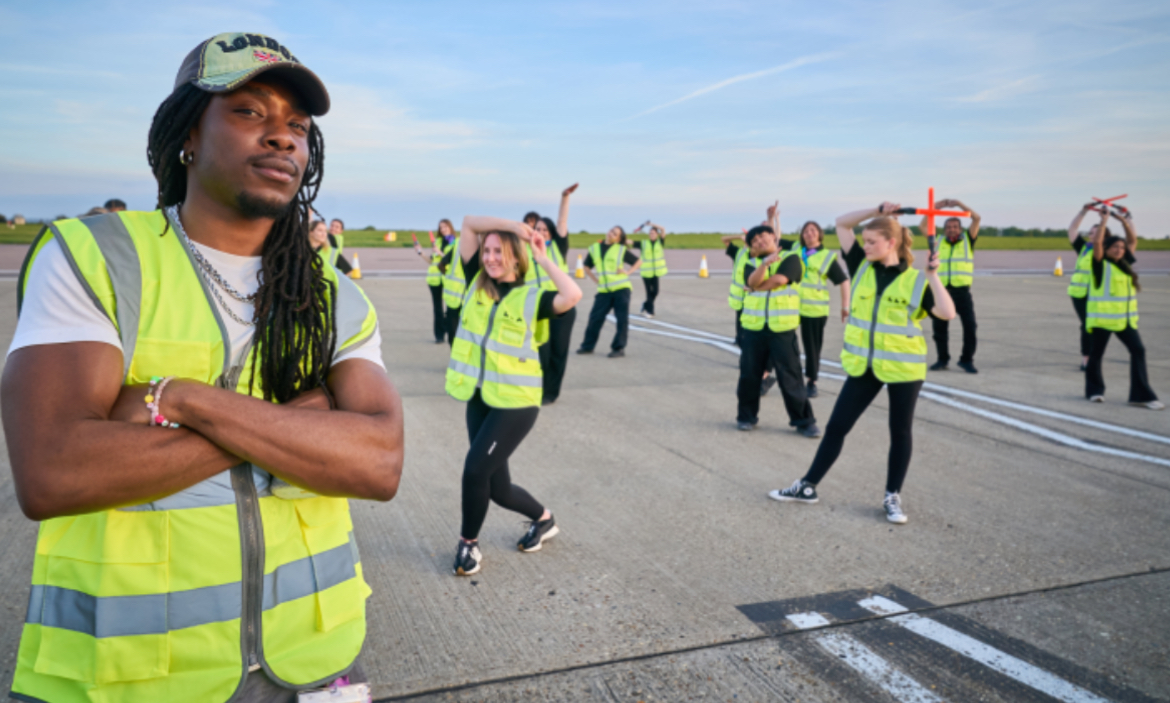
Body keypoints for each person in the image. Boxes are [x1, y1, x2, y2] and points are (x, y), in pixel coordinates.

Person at [3, 32, 405, 703]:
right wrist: (294, 426)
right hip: (129, 679)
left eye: (298, 127)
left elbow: (378, 463)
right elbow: (53, 469)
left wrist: (181, 397)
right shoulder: (99, 258)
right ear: (188, 134)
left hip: (316, 664)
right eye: (249, 112)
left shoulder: (332, 294)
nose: (282, 138)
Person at [769, 203, 955, 524]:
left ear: (891, 243)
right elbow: (842, 224)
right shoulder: (861, 267)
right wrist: (878, 209)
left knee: (900, 432)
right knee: (837, 428)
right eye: (864, 241)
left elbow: (946, 313)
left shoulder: (913, 280)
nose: (865, 246)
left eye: (872, 241)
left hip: (903, 369)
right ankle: (807, 486)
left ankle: (892, 496)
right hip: (864, 368)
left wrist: (933, 277)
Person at [446, 216, 582, 576]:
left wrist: (542, 257)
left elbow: (572, 295)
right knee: (497, 488)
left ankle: (468, 545)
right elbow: (469, 224)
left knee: (474, 471)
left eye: (498, 252)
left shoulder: (530, 298)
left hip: (517, 403)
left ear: (516, 258)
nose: (489, 257)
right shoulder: (477, 282)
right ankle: (544, 518)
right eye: (487, 250)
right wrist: (514, 227)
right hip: (481, 396)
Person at [736, 223, 820, 437]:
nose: (759, 241)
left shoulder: (792, 259)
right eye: (754, 241)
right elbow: (752, 279)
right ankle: (746, 417)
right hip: (753, 328)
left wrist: (755, 286)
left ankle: (804, 421)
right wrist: (763, 265)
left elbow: (779, 280)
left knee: (790, 377)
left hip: (782, 329)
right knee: (749, 377)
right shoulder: (751, 263)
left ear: (774, 237)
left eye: (763, 236)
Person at [1084, 208, 1162, 409]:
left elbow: (1133, 241)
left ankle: (1141, 396)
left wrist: (1124, 222)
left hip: (1125, 322)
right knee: (1096, 355)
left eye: (1121, 247)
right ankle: (1094, 391)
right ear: (1107, 249)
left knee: (1138, 351)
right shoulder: (1100, 265)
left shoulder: (1125, 265)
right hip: (1102, 320)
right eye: (1115, 247)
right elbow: (1098, 243)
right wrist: (1104, 222)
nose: (1120, 249)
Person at [796, 220, 850, 398]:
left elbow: (844, 281)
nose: (809, 233)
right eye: (805, 231)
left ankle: (812, 382)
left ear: (819, 234)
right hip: (792, 307)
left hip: (814, 309)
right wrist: (773, 219)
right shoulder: (798, 250)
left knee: (812, 347)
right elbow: (776, 238)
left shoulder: (826, 256)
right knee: (778, 339)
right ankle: (767, 375)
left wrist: (845, 306)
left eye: (812, 230)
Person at [535, 184, 578, 404]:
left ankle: (550, 393)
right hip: (539, 308)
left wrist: (564, 197)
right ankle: (536, 389)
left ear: (551, 233)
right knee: (540, 351)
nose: (541, 232)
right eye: (538, 229)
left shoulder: (557, 247)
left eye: (545, 229)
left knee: (558, 352)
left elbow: (562, 221)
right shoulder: (529, 251)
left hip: (562, 307)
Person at [927, 198, 981, 373]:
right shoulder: (937, 241)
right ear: (945, 229)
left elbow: (977, 218)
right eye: (949, 227)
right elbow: (923, 226)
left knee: (970, 326)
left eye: (955, 226)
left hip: (962, 292)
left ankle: (966, 360)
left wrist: (959, 204)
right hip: (942, 292)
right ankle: (942, 360)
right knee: (940, 329)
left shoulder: (968, 240)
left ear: (960, 228)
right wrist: (933, 209)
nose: (952, 229)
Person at [577, 225, 641, 358]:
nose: (611, 234)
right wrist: (595, 280)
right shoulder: (595, 248)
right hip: (604, 290)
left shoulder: (620, 249)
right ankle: (587, 346)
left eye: (615, 233)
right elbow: (586, 265)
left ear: (618, 239)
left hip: (621, 288)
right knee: (595, 318)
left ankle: (618, 348)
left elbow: (638, 261)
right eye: (611, 231)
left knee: (621, 319)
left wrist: (627, 272)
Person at [1066, 203, 1102, 370]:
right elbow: (1072, 231)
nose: (1090, 235)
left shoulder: (1107, 251)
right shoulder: (1084, 248)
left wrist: (1104, 219)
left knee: (1095, 326)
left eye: (1094, 233)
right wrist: (1084, 212)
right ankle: (1086, 358)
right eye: (1090, 233)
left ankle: (1093, 356)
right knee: (1087, 324)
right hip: (1079, 294)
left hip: (1098, 295)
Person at [416, 219, 457, 343]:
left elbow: (453, 259)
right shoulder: (437, 241)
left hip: (448, 279)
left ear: (450, 227)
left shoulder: (456, 242)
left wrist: (440, 253)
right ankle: (439, 336)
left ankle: (448, 329)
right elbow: (431, 260)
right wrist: (420, 252)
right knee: (437, 308)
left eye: (445, 227)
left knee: (450, 309)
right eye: (441, 227)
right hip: (434, 279)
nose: (443, 229)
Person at [633, 223, 668, 317]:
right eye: (650, 233)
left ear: (657, 234)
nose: (651, 234)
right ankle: (650, 312)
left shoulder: (660, 242)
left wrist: (651, 224)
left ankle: (646, 304)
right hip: (646, 272)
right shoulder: (644, 243)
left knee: (656, 291)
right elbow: (630, 242)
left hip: (655, 272)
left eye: (653, 233)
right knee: (648, 291)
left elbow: (663, 229)